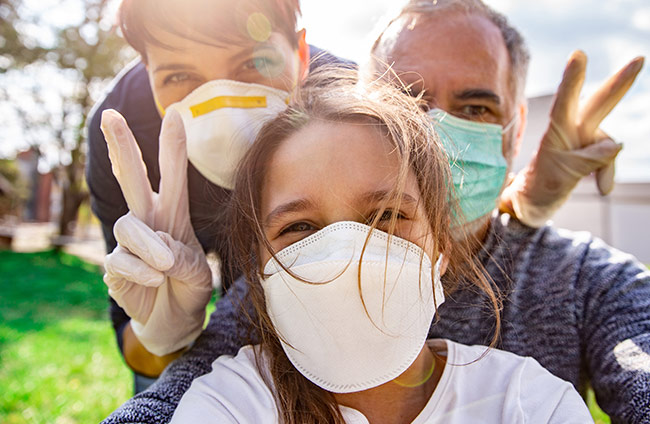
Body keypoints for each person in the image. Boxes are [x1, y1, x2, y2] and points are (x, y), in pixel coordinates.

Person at [100, 0, 648, 424]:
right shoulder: (293, 279)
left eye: (476, 106)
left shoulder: (591, 282)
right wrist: (163, 335)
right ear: (363, 110)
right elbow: (176, 400)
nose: (436, 136)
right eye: (407, 99)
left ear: (516, 126)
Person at [168, 74, 592, 423]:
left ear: (441, 245)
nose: (344, 254)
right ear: (257, 266)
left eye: (386, 216)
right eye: (299, 227)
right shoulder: (231, 404)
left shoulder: (532, 405)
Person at [86, 0, 351, 392]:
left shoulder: (348, 106)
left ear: (301, 57)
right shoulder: (123, 135)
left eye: (253, 61)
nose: (222, 101)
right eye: (179, 76)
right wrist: (165, 332)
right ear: (146, 71)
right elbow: (139, 354)